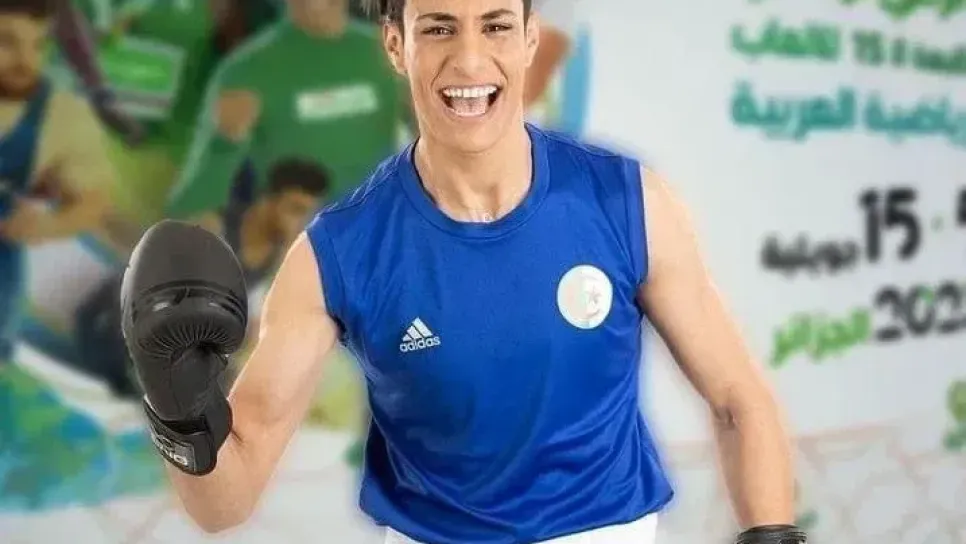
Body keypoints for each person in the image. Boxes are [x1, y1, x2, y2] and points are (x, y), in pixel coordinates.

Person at [120, 1, 807, 543]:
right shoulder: (338, 254)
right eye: (440, 28)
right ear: (396, 45)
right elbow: (225, 504)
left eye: (496, 25)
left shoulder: (627, 203)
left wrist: (773, 538)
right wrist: (176, 404)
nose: (470, 58)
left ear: (530, 39)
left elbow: (738, 400)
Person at [74, 157, 329, 398]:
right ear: (268, 201)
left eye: (306, 214)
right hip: (114, 328)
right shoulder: (213, 229)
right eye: (295, 210)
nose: (299, 223)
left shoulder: (273, 253)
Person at [164, 0, 409, 221]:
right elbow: (196, 199)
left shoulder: (387, 52)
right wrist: (226, 142)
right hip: (297, 241)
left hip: (384, 230)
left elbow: (429, 141)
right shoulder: (247, 69)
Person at [0, 0, 111, 363]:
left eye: (38, 44)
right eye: (7, 42)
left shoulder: (62, 115)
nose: (25, 60)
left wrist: (47, 225)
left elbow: (93, 201)